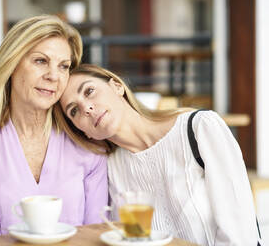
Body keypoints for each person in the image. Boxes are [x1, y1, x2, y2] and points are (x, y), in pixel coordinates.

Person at [55, 63, 262, 246]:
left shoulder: (200, 128)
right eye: (74, 111)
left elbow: (241, 235)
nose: (87, 107)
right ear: (84, 132)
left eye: (89, 91)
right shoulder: (111, 168)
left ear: (116, 86)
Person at [0, 16, 108, 237]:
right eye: (40, 61)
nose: (53, 76)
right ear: (11, 64)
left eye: (63, 66)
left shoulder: (87, 141)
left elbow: (97, 234)